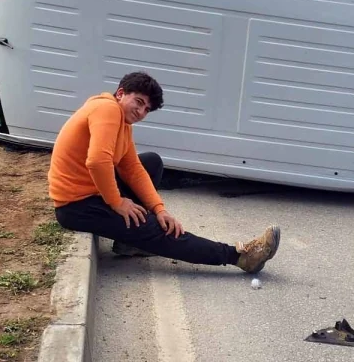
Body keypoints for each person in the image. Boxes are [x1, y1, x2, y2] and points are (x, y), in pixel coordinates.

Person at [48, 71, 281, 274]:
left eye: (146, 109)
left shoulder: (122, 122)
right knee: (159, 232)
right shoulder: (107, 108)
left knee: (151, 162)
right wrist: (117, 202)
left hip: (92, 192)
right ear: (121, 93)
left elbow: (133, 169)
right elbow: (98, 161)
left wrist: (159, 209)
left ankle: (129, 242)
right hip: (77, 206)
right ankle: (239, 257)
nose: (141, 111)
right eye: (138, 102)